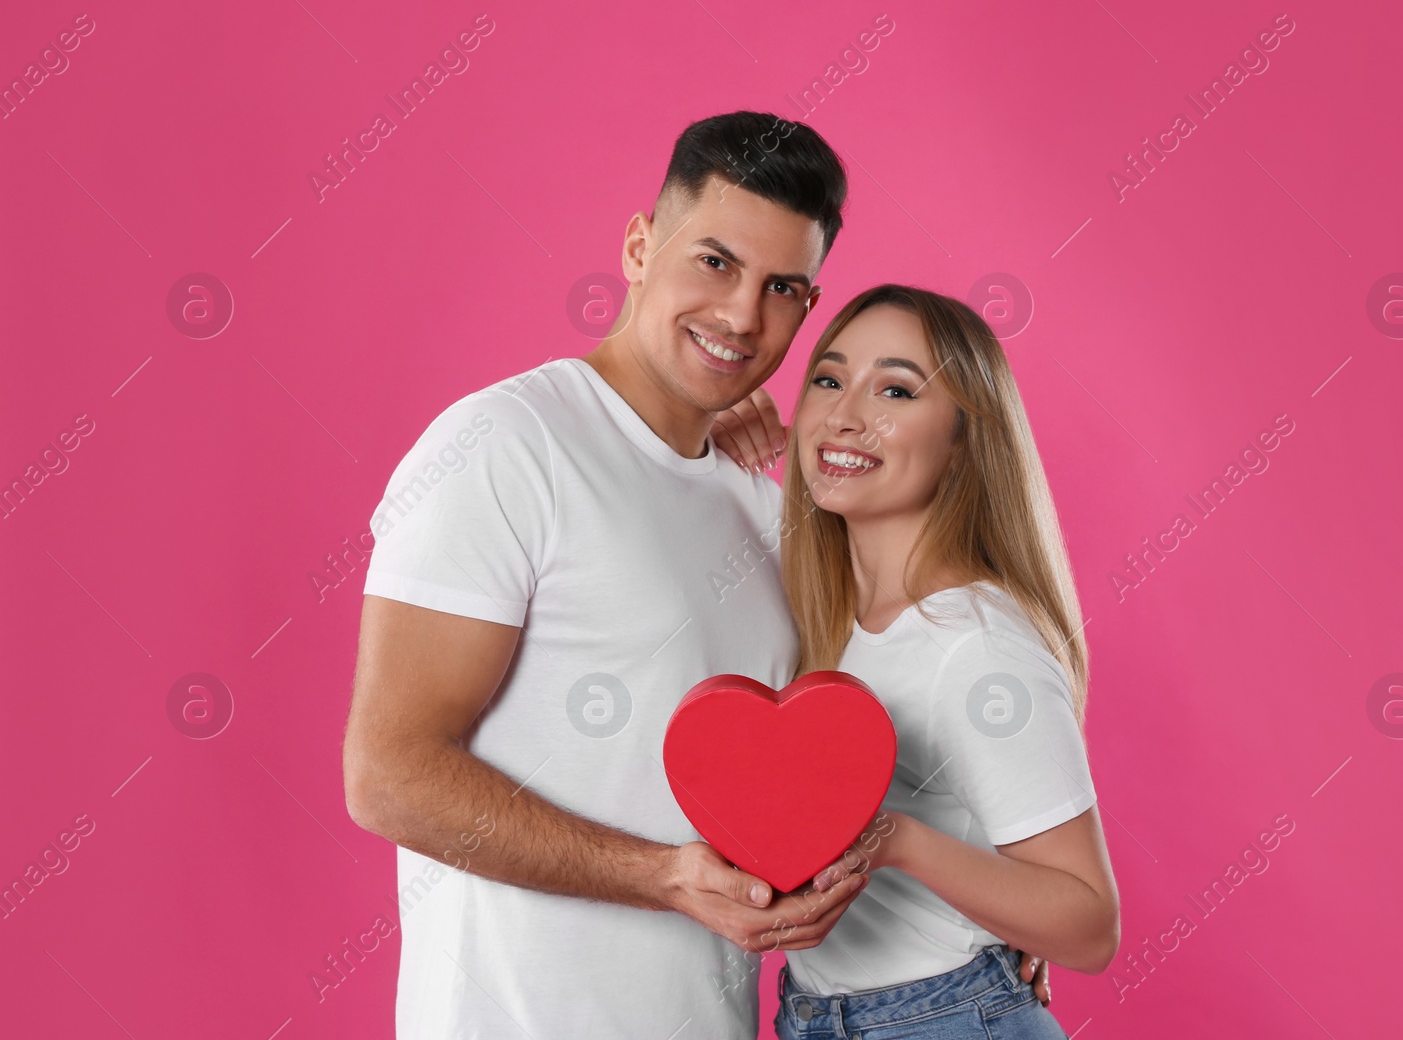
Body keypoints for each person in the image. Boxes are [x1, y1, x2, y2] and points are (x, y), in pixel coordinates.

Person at [340, 111, 874, 1039]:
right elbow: (388, 774)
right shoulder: (505, 446)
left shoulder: (760, 505)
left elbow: (854, 733)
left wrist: (991, 918)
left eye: (781, 287)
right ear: (638, 246)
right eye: (714, 260)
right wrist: (662, 876)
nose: (743, 315)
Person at [711, 285, 1120, 1039]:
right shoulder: (827, 611)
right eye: (829, 379)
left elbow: (1089, 924)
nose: (845, 414)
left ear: (964, 438)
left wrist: (896, 840)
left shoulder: (977, 642)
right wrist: (711, 422)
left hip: (945, 1019)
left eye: (895, 389)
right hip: (821, 1015)